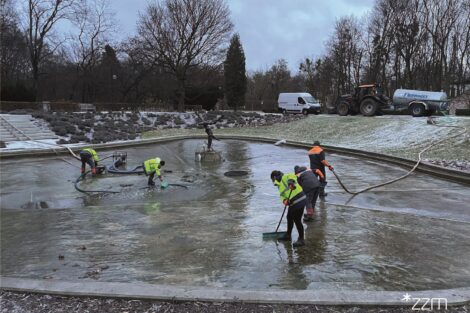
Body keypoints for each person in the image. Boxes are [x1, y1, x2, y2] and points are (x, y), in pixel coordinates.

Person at [270, 170, 307, 247]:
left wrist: (290, 182)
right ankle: (288, 235)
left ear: (275, 177)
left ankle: (301, 239)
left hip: (299, 199)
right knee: (289, 217)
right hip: (292, 202)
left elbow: (293, 176)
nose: (273, 182)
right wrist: (284, 200)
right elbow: (282, 195)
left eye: (273, 180)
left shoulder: (286, 176)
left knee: (297, 220)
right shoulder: (279, 186)